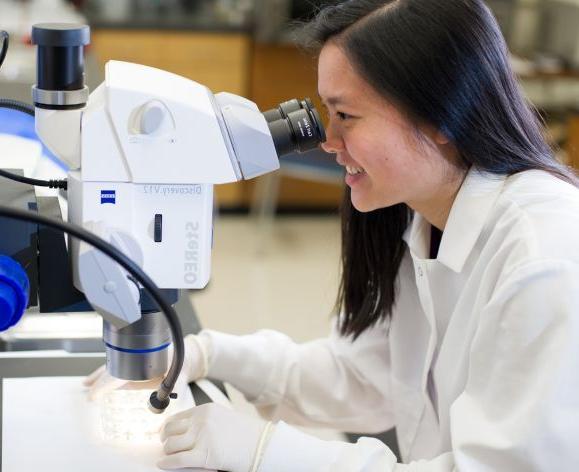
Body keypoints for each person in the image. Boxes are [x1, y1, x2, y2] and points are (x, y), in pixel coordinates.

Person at [85, 0, 579, 470]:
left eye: (346, 116)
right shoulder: (423, 218)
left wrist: (266, 453)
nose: (328, 142)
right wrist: (211, 353)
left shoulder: (544, 257)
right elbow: (364, 378)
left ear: (440, 118)